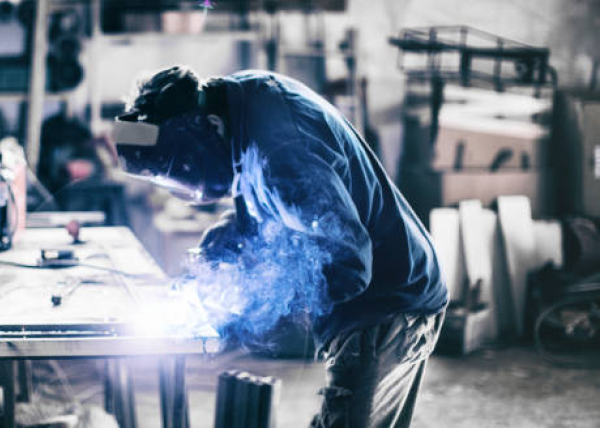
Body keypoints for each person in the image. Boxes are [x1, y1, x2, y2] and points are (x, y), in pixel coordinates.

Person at [112, 66, 448, 427]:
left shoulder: (283, 155)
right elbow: (259, 209)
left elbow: (347, 265)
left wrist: (246, 296)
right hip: (388, 293)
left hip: (387, 305)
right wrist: (211, 261)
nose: (187, 187)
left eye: (182, 170)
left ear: (205, 128)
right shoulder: (240, 104)